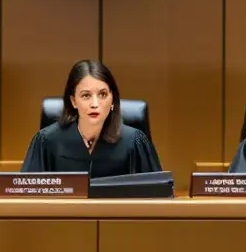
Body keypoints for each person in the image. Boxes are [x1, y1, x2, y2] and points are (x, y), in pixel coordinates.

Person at [21, 59, 163, 177]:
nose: (95, 104)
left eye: (102, 94)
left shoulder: (134, 142)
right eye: (86, 95)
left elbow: (159, 198)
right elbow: (25, 198)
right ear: (73, 101)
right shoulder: (46, 141)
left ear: (113, 100)